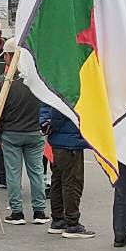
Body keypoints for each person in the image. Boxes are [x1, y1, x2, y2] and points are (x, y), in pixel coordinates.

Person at [0, 69, 48, 226]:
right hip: (34, 131)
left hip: (11, 132)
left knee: (13, 173)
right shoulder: (38, 77)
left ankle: (17, 212)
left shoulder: (5, 80)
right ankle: (39, 211)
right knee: (37, 171)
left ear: (8, 56)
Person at [39, 99, 96, 239]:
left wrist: (50, 125)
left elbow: (47, 107)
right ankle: (72, 223)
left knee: (58, 181)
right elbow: (60, 110)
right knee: (72, 183)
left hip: (58, 140)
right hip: (70, 140)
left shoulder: (52, 85)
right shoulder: (67, 86)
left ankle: (58, 220)